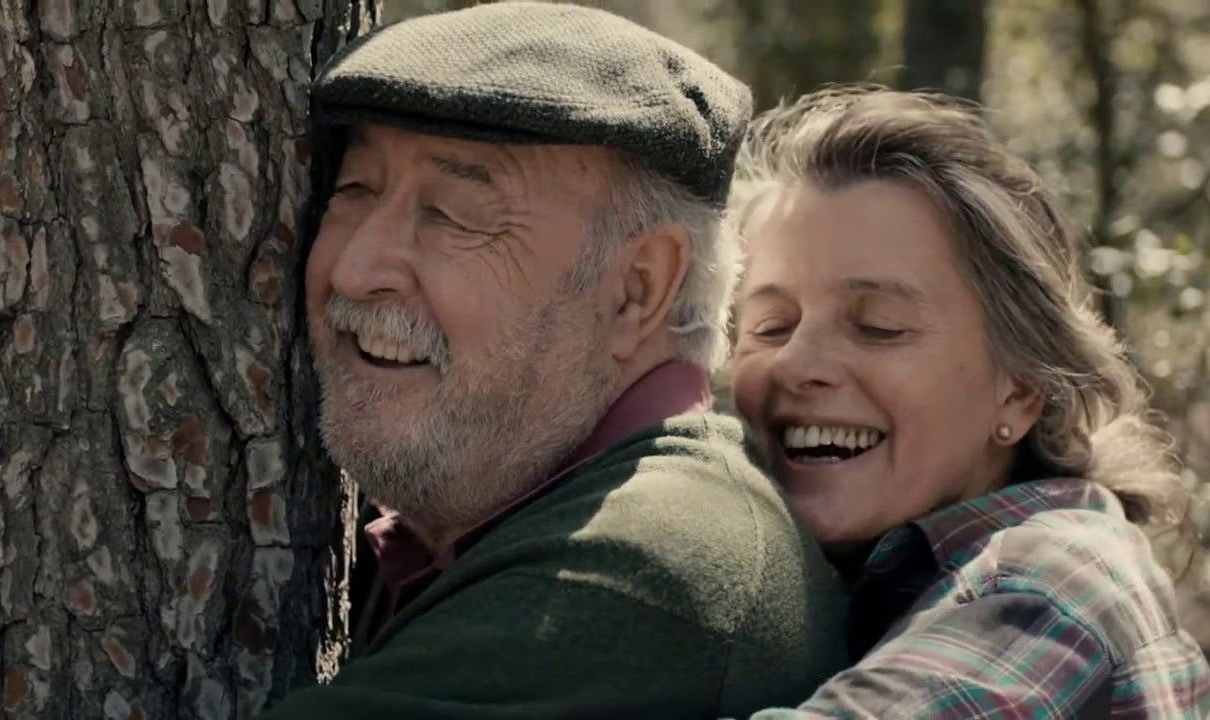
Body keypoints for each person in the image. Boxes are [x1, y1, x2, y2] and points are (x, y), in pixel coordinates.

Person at [259, 4, 847, 718]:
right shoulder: (509, 508)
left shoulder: (635, 571)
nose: (354, 270)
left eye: (453, 214)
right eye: (355, 189)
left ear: (637, 290)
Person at [730, 85, 1210, 718]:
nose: (796, 364)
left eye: (879, 326)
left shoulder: (1053, 581)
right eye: (771, 327)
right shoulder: (877, 584)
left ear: (1019, 388)